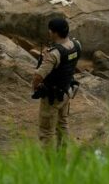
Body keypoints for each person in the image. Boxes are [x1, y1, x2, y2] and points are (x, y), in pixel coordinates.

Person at [32, 17, 82, 147]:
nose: (49, 32)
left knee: (46, 131)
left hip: (52, 96)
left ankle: (48, 164)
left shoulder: (54, 53)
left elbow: (39, 76)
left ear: (54, 33)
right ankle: (62, 157)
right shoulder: (76, 45)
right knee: (62, 125)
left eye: (50, 31)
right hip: (66, 91)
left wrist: (35, 88)